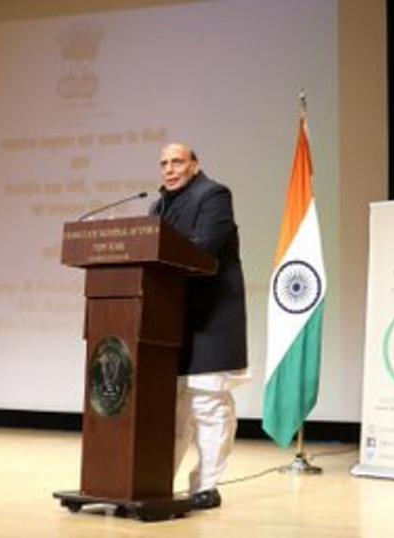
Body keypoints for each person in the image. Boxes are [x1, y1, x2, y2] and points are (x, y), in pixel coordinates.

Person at [151, 143, 248, 510]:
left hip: (211, 317)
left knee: (208, 403)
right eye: (164, 163)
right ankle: (157, 482)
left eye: (177, 161)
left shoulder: (214, 195)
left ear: (194, 165)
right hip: (170, 320)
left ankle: (206, 485)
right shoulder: (157, 208)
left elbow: (203, 248)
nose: (169, 169)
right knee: (171, 410)